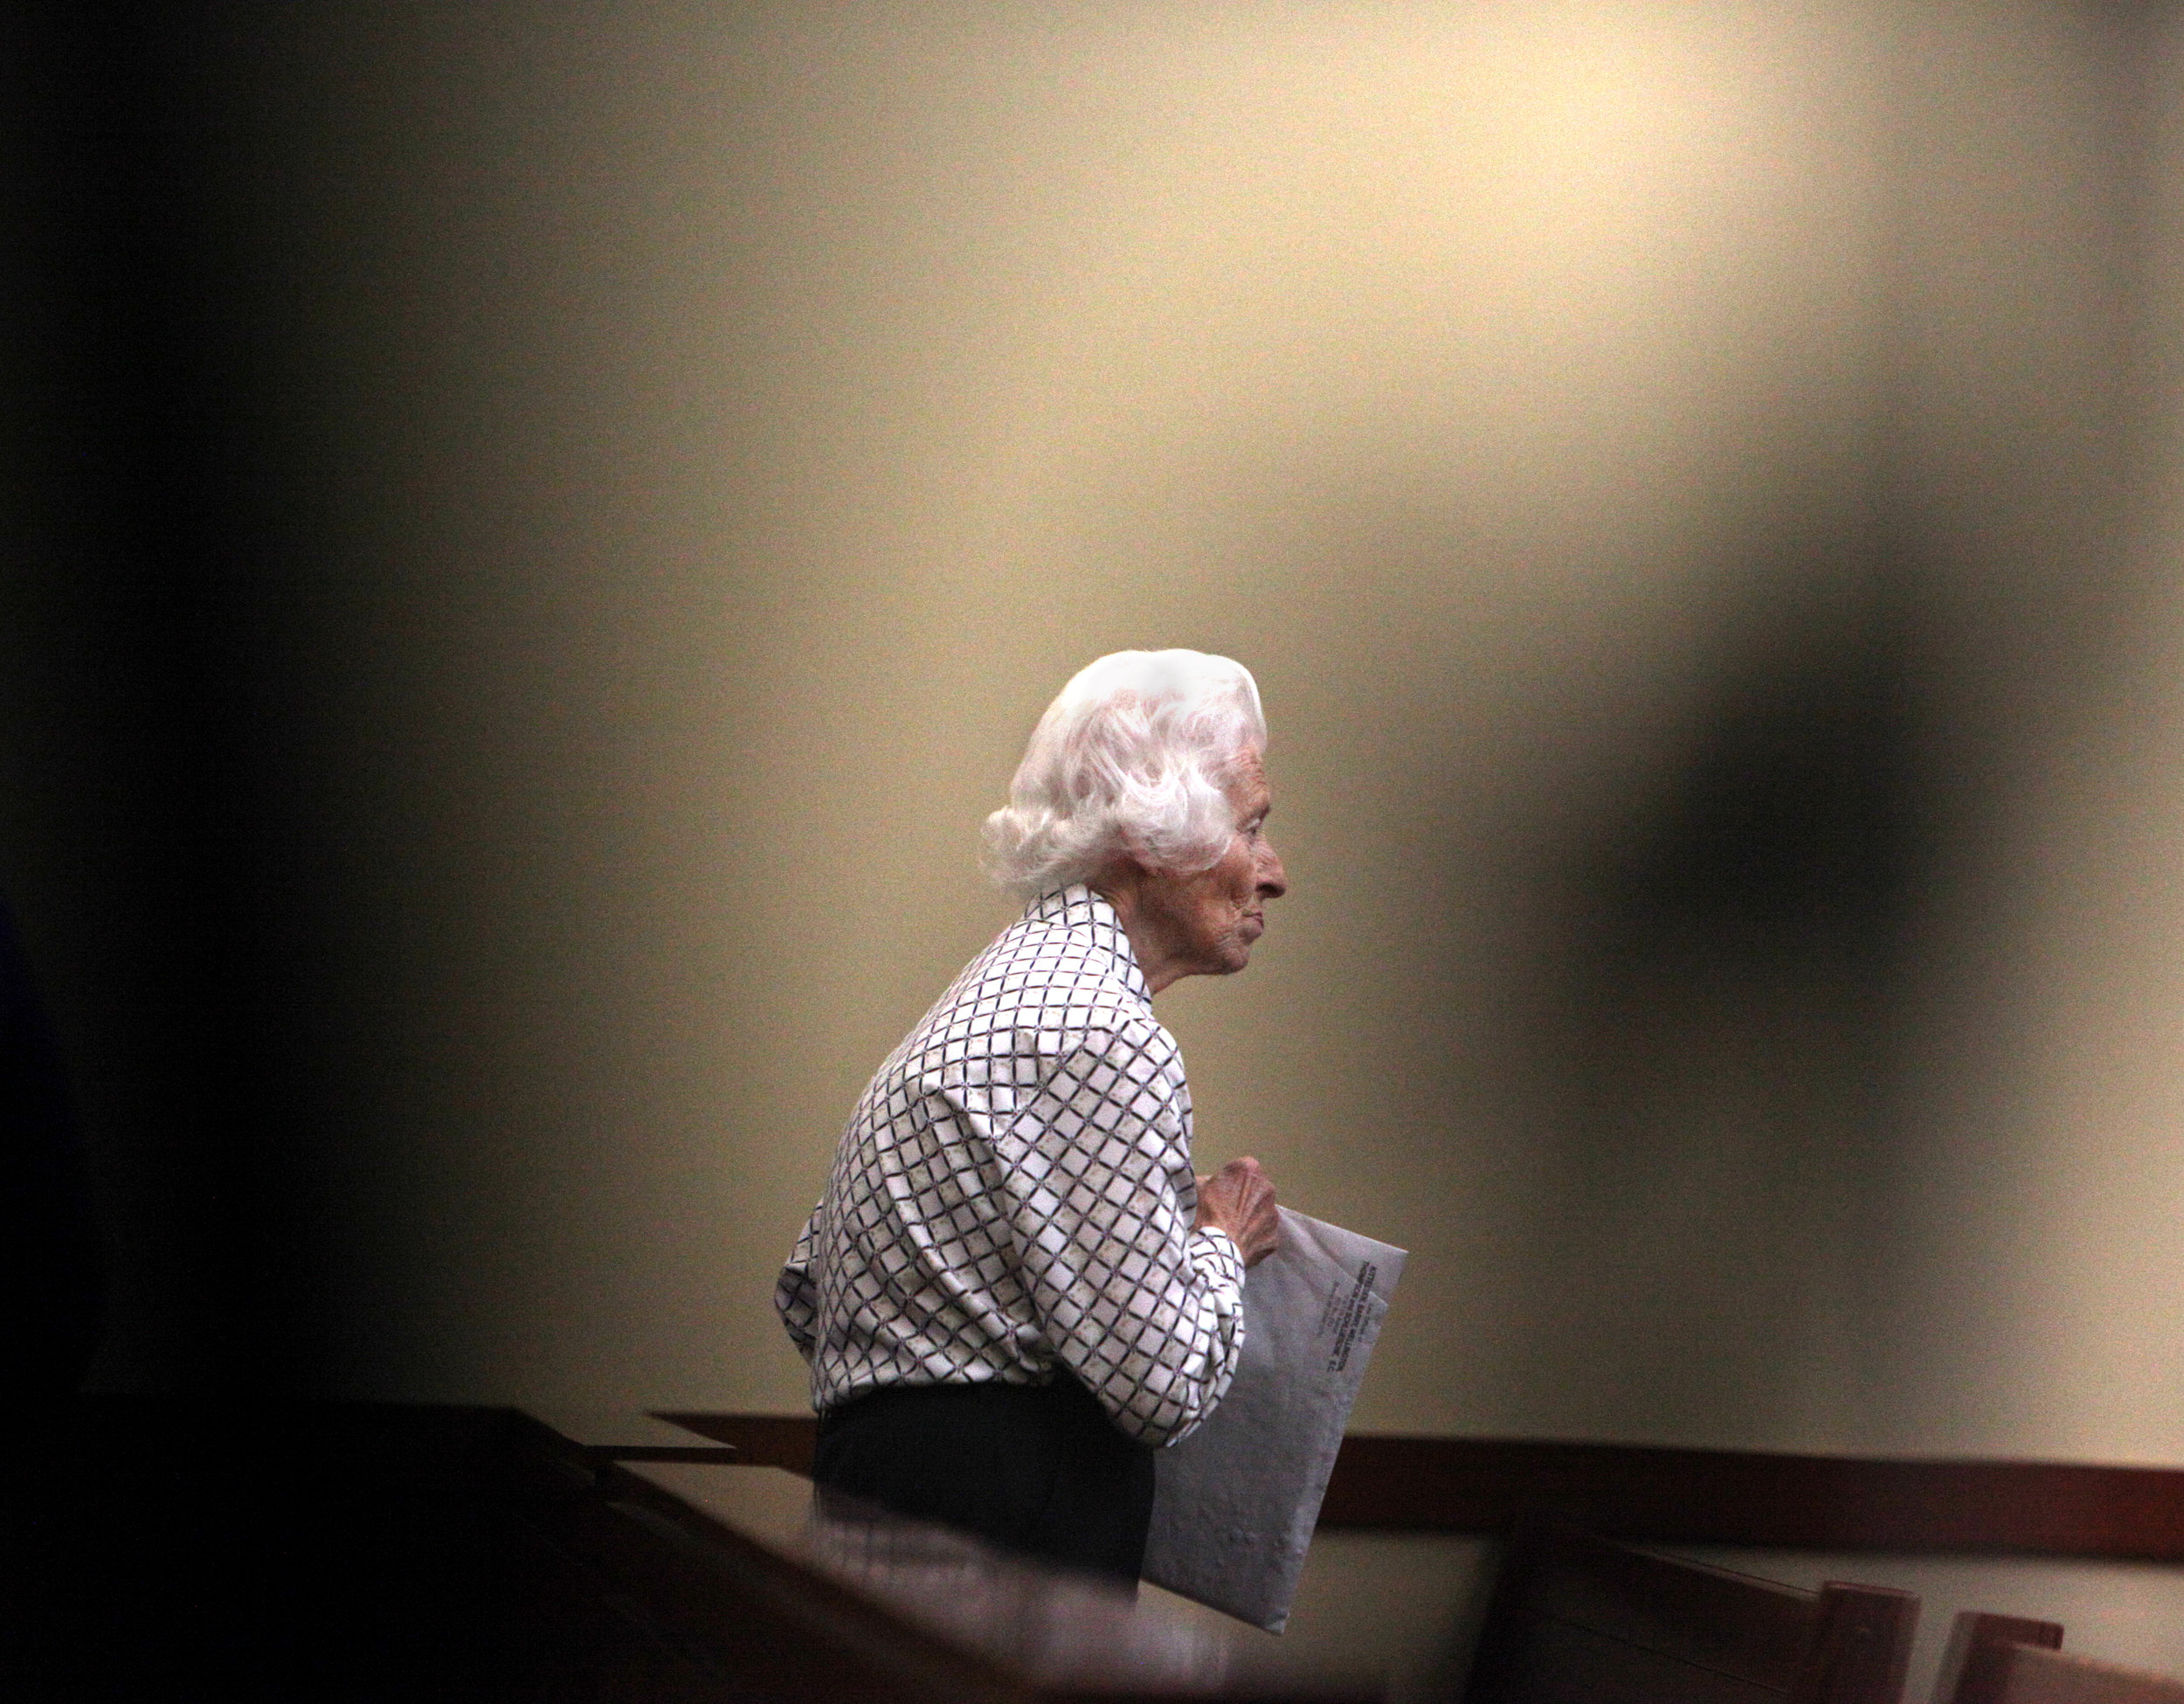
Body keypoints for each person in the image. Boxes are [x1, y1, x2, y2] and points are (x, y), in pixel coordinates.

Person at [775, 649, 1288, 1580]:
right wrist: (1220, 1240)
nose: (1274, 872)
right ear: (1152, 832)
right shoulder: (1100, 1030)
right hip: (995, 1530)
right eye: (1251, 829)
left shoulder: (996, 988)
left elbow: (804, 1290)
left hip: (891, 1497)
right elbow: (1160, 1389)